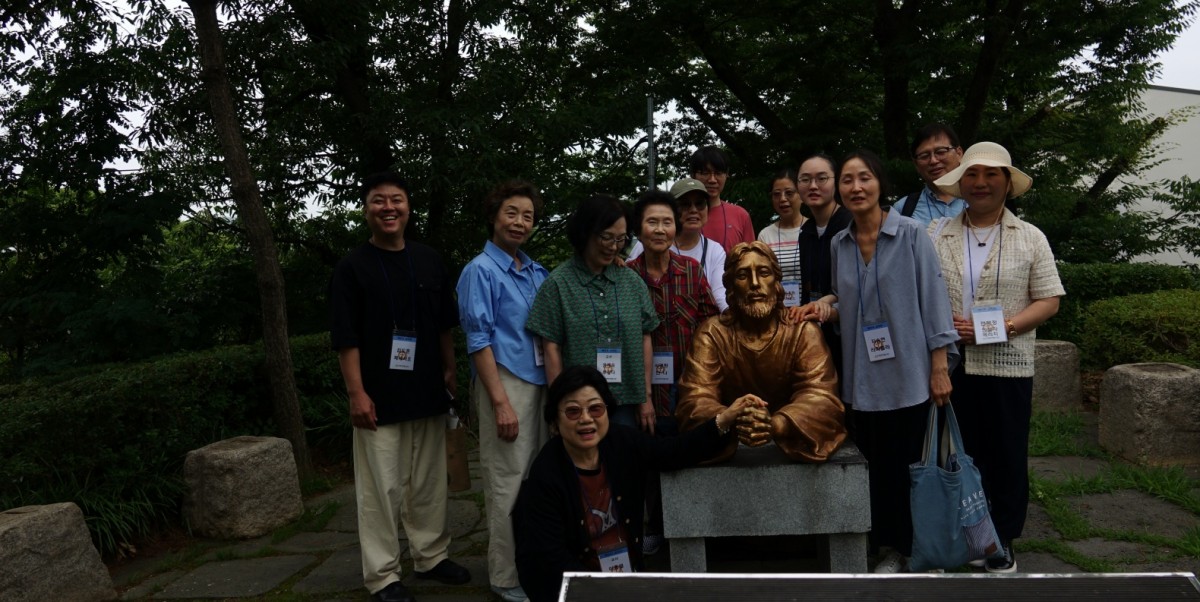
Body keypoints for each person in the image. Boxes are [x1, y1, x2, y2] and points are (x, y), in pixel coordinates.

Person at [800, 150, 958, 573]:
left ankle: (919, 548)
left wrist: (939, 366)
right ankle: (890, 547)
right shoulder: (840, 243)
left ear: (880, 184)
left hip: (910, 373)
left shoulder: (911, 234)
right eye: (847, 180)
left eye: (864, 178)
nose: (856, 187)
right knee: (879, 467)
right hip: (864, 377)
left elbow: (934, 300)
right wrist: (825, 309)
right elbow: (847, 299)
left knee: (914, 466)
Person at [330, 172, 470, 602]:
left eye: (396, 200)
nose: (388, 208)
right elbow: (345, 338)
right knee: (381, 490)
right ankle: (383, 576)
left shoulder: (428, 259)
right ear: (366, 209)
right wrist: (356, 393)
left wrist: (450, 370)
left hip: (427, 391)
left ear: (409, 207)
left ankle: (431, 556)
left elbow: (444, 325)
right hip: (378, 397)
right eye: (378, 200)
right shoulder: (351, 268)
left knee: (428, 483)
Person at [930, 142, 1064, 573]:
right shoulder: (936, 234)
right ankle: (966, 533)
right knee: (959, 453)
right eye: (972, 174)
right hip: (951, 364)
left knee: (1006, 452)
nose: (981, 183)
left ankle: (1001, 537)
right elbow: (923, 293)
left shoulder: (1030, 237)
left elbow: (1049, 300)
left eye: (992, 175)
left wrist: (1003, 326)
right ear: (960, 182)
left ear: (1008, 183)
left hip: (1009, 364)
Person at [512, 365, 756, 602]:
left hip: (627, 578)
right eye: (573, 411)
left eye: (595, 409)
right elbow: (551, 560)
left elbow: (673, 451)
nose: (586, 419)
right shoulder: (546, 474)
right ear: (555, 421)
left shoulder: (622, 441)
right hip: (576, 589)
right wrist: (599, 592)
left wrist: (723, 420)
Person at [455, 180, 550, 602]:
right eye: (512, 213)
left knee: (535, 480)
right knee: (506, 482)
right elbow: (478, 340)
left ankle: (532, 565)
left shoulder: (535, 271)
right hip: (506, 383)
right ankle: (505, 576)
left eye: (528, 216)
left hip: (540, 383)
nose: (520, 222)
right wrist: (499, 403)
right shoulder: (480, 270)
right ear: (494, 216)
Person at [676, 241, 847, 463]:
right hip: (730, 436)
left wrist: (777, 424)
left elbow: (823, 398)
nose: (755, 284)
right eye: (743, 276)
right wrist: (735, 419)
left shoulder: (802, 331)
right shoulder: (712, 334)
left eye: (764, 273)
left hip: (791, 437)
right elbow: (694, 399)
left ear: (776, 282)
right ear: (731, 286)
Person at [625, 189, 721, 555]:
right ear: (639, 229)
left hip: (688, 382)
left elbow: (710, 322)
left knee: (691, 453)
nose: (660, 229)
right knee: (650, 457)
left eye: (667, 222)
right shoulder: (627, 276)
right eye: (652, 222)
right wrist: (642, 394)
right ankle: (655, 528)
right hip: (645, 387)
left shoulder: (691, 271)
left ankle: (696, 528)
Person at [526, 194, 659, 431]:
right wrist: (559, 405)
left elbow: (645, 336)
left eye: (620, 238)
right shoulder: (558, 284)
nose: (613, 246)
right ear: (585, 232)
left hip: (627, 401)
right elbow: (551, 348)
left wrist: (646, 396)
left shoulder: (631, 282)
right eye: (606, 237)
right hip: (579, 408)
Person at [627, 178, 729, 312]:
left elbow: (720, 296)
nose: (693, 210)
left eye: (700, 204)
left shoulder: (713, 252)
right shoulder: (648, 244)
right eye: (685, 204)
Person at [893, 123, 966, 225]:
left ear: (959, 153)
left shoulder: (981, 199)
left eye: (940, 152)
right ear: (916, 164)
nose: (933, 160)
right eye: (924, 156)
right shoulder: (902, 209)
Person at [757, 168, 806, 307]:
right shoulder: (765, 235)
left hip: (809, 310)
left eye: (789, 193)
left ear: (801, 195)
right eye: (776, 194)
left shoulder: (813, 230)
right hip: (776, 311)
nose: (783, 199)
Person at [692, 145, 756, 251]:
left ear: (727, 175)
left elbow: (751, 257)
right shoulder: (682, 216)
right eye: (705, 173)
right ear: (693, 175)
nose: (712, 180)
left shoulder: (740, 215)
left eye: (718, 173)